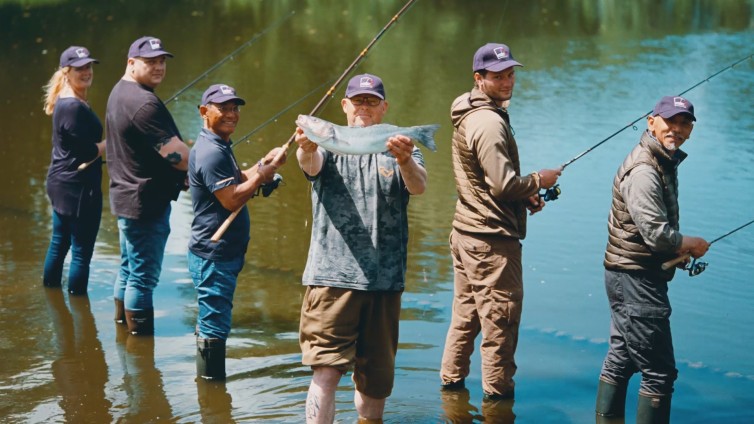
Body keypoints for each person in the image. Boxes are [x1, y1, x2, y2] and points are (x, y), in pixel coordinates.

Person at [294, 73, 428, 423]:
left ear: (384, 107)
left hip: (385, 282)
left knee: (376, 383)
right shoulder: (324, 144)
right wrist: (306, 146)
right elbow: (309, 164)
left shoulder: (399, 144)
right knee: (325, 372)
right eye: (358, 101)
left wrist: (405, 160)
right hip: (332, 280)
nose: (364, 107)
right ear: (344, 106)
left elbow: (419, 187)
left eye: (371, 101)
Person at [439, 42, 562, 401]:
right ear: (480, 79)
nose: (507, 81)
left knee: (465, 317)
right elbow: (503, 183)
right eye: (498, 76)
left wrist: (524, 196)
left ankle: (451, 389)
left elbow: (486, 181)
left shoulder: (470, 111)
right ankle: (497, 402)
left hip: (466, 232)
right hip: (490, 243)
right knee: (501, 325)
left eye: (510, 73)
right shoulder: (488, 122)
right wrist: (538, 180)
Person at [595, 96, 710, 423]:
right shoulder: (645, 169)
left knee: (622, 359)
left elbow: (653, 234)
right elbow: (656, 235)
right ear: (651, 122)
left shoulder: (662, 159)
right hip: (636, 280)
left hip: (628, 274)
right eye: (670, 121)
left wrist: (679, 250)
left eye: (684, 123)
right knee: (659, 372)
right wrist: (689, 243)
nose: (677, 128)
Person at [188, 83, 286, 380]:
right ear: (204, 111)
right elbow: (231, 198)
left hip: (219, 255)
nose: (231, 114)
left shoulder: (217, 144)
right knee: (214, 326)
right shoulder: (211, 152)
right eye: (223, 108)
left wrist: (261, 166)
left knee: (213, 320)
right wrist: (260, 178)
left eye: (235, 108)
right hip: (213, 256)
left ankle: (210, 392)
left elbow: (233, 180)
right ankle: (211, 392)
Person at [106, 36, 190, 335]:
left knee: (129, 270)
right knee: (142, 279)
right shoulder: (142, 103)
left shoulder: (120, 92)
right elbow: (177, 157)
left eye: (161, 61)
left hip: (125, 196)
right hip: (145, 203)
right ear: (131, 63)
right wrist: (206, 163)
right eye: (150, 62)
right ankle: (140, 343)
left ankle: (122, 330)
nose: (158, 67)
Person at [42, 45, 106, 295]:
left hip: (62, 183)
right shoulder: (73, 106)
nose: (87, 72)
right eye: (80, 68)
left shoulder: (68, 99)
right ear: (66, 72)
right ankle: (79, 309)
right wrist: (111, 143)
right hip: (77, 189)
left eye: (89, 66)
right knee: (81, 252)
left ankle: (52, 299)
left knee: (59, 243)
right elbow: (88, 152)